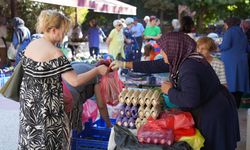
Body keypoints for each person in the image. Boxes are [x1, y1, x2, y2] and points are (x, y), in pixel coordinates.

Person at [19, 10, 109, 149]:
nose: (64, 35)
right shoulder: (55, 52)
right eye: (63, 31)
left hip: (29, 106)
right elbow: (75, 81)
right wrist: (96, 70)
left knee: (32, 142)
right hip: (48, 108)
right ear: (54, 30)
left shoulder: (32, 45)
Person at [158, 32, 240, 150]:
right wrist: (129, 64)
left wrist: (169, 91)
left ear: (173, 49)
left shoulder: (188, 68)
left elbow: (190, 100)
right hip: (216, 105)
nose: (161, 53)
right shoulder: (188, 59)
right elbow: (157, 65)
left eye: (163, 49)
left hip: (213, 113)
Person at [219, 17, 250, 108]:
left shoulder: (230, 32)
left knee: (231, 84)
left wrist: (218, 46)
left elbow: (225, 46)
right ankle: (236, 106)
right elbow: (246, 47)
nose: (224, 26)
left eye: (225, 24)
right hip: (241, 61)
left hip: (230, 62)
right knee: (239, 84)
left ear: (228, 23)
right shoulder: (241, 32)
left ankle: (230, 108)